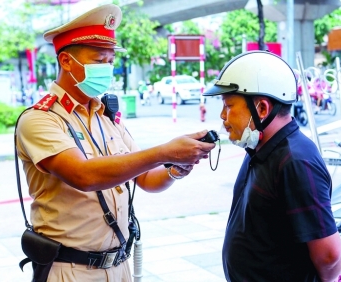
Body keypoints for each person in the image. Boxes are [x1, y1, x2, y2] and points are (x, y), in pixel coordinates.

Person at [15, 4, 215, 282]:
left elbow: (145, 178)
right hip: (71, 270)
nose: (107, 69)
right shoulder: (40, 120)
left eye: (110, 61)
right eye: (99, 60)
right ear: (66, 62)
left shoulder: (106, 116)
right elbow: (84, 175)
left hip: (119, 265)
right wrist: (163, 151)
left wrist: (174, 167)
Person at [203, 51, 341, 282]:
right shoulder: (260, 148)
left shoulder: (296, 161)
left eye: (229, 105)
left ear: (262, 109)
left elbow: (330, 256)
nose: (222, 116)